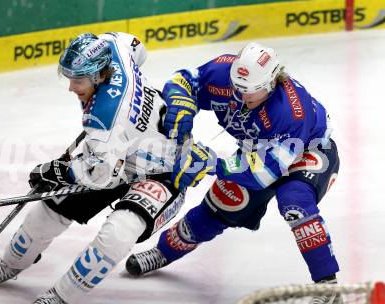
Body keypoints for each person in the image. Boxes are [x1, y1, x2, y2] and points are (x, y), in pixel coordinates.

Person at [0, 32, 214, 303]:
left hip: (166, 171)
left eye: (78, 80)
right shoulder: (114, 46)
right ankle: (10, 263)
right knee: (49, 211)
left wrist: (57, 172)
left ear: (99, 75)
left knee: (119, 233)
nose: (71, 88)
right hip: (117, 151)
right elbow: (138, 49)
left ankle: (61, 296)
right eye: (70, 77)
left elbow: (99, 175)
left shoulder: (105, 118)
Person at [125, 42, 341, 297]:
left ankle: (328, 286)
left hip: (309, 150)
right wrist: (180, 102)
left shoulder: (291, 112)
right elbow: (184, 80)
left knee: (295, 203)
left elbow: (263, 173)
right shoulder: (224, 73)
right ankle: (163, 252)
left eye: (251, 91)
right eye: (237, 88)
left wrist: (212, 163)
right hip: (259, 151)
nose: (241, 96)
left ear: (272, 82)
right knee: (219, 206)